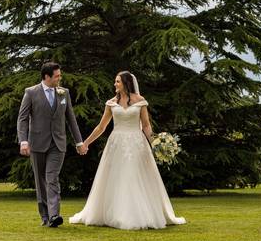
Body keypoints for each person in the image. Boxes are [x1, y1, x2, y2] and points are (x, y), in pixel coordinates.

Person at [69, 70, 187, 230]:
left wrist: (156, 143)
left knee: (133, 176)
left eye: (117, 81)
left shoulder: (140, 101)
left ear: (126, 83)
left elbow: (145, 125)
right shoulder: (111, 103)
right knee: (116, 178)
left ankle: (137, 215)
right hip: (116, 144)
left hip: (137, 144)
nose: (115, 84)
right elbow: (101, 127)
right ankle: (116, 214)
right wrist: (86, 143)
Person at [17, 62, 87, 227]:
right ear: (46, 77)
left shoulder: (64, 93)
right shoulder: (31, 93)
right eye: (57, 76)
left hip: (58, 143)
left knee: (52, 177)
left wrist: (79, 142)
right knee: (41, 181)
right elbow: (23, 118)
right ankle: (45, 216)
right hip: (37, 143)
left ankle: (55, 215)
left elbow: (71, 119)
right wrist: (23, 141)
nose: (59, 78)